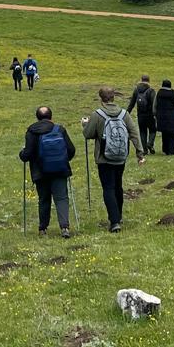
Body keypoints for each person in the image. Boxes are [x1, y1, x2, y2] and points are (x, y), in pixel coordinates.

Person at [83, 88, 144, 232]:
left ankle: (114, 221)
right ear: (113, 98)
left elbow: (88, 134)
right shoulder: (124, 114)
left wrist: (85, 124)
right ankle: (119, 215)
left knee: (108, 188)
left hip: (104, 158)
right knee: (118, 186)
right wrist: (140, 153)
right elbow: (134, 133)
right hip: (120, 157)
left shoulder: (97, 115)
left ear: (101, 99)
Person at [19, 106, 76, 237]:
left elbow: (27, 154)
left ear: (37, 117)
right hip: (59, 170)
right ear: (51, 117)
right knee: (61, 198)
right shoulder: (59, 129)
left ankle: (43, 229)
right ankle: (64, 228)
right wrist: (63, 160)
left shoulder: (32, 131)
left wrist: (21, 154)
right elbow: (71, 149)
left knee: (44, 199)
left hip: (40, 172)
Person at [127, 75, 158, 156]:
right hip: (150, 115)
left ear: (141, 80)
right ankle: (150, 143)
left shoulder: (136, 90)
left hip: (140, 115)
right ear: (149, 81)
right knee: (153, 130)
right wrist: (155, 114)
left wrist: (127, 113)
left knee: (142, 132)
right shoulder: (151, 90)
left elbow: (132, 103)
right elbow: (154, 104)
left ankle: (144, 150)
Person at [155, 78, 174, 154]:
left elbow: (155, 105)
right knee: (173, 134)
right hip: (173, 116)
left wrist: (155, 114)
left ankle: (165, 149)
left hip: (162, 117)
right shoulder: (173, 93)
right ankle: (172, 150)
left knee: (164, 133)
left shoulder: (159, 93)